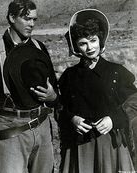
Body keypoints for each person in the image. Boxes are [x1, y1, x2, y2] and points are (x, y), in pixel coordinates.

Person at [0, 0, 59, 172]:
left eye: (34, 19)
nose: (32, 24)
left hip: (42, 125)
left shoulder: (39, 48)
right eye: (27, 19)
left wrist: (52, 97)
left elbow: (55, 93)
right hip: (10, 129)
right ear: (12, 17)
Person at [58, 9, 137, 173]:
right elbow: (60, 108)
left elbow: (134, 103)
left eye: (93, 40)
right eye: (83, 43)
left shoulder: (117, 72)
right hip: (79, 147)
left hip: (111, 145)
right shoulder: (69, 76)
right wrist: (72, 119)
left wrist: (113, 119)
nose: (89, 47)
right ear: (76, 46)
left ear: (100, 40)